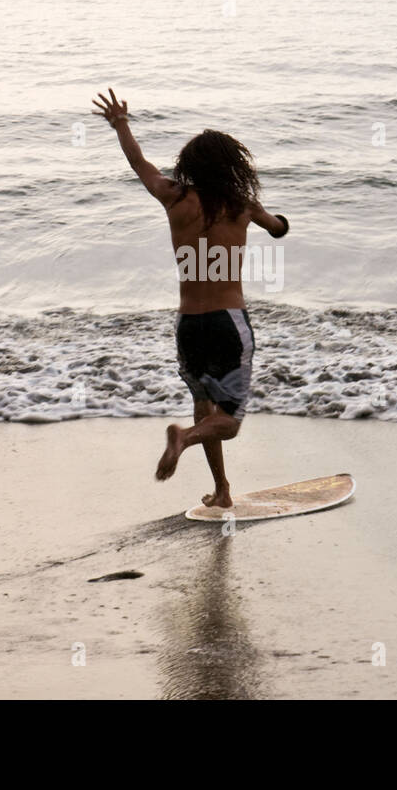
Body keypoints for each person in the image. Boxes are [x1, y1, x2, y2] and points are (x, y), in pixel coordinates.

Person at [92, 89, 288, 508]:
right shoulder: (242, 204)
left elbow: (139, 164)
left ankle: (221, 490)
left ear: (189, 165)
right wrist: (278, 221)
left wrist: (121, 124)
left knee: (204, 405)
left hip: (188, 325)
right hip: (227, 324)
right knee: (228, 423)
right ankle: (184, 437)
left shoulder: (173, 196)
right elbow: (279, 229)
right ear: (231, 166)